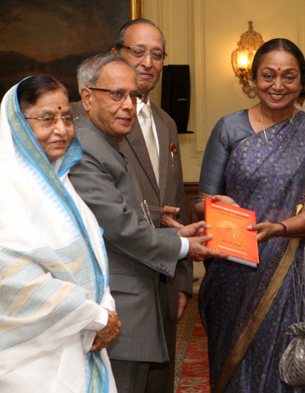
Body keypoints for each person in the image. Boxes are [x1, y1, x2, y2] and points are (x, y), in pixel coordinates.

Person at [195, 38, 305, 393]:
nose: (278, 86)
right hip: (235, 265)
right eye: (268, 76)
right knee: (237, 363)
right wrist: (218, 205)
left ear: (303, 81)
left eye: (289, 77)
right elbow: (202, 200)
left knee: (294, 363)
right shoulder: (229, 128)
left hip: (296, 268)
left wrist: (280, 229)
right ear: (252, 79)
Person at [68, 53, 225, 393]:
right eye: (117, 94)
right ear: (87, 97)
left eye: (133, 96)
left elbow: (122, 213)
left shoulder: (108, 143)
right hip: (116, 307)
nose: (128, 105)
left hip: (132, 303)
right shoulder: (84, 149)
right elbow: (120, 227)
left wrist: (173, 229)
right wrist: (184, 246)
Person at [0, 75, 121, 393]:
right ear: (18, 123)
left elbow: (92, 257)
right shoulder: (2, 189)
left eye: (66, 118)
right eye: (47, 119)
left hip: (80, 340)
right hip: (31, 362)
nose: (61, 129)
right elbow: (17, 280)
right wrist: (97, 317)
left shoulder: (62, 184)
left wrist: (105, 308)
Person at [108, 19, 192, 393]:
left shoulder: (167, 123)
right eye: (137, 51)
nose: (147, 62)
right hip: (117, 279)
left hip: (165, 276)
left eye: (156, 54)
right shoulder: (89, 118)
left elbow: (175, 203)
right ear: (116, 55)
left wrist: (184, 283)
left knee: (160, 381)